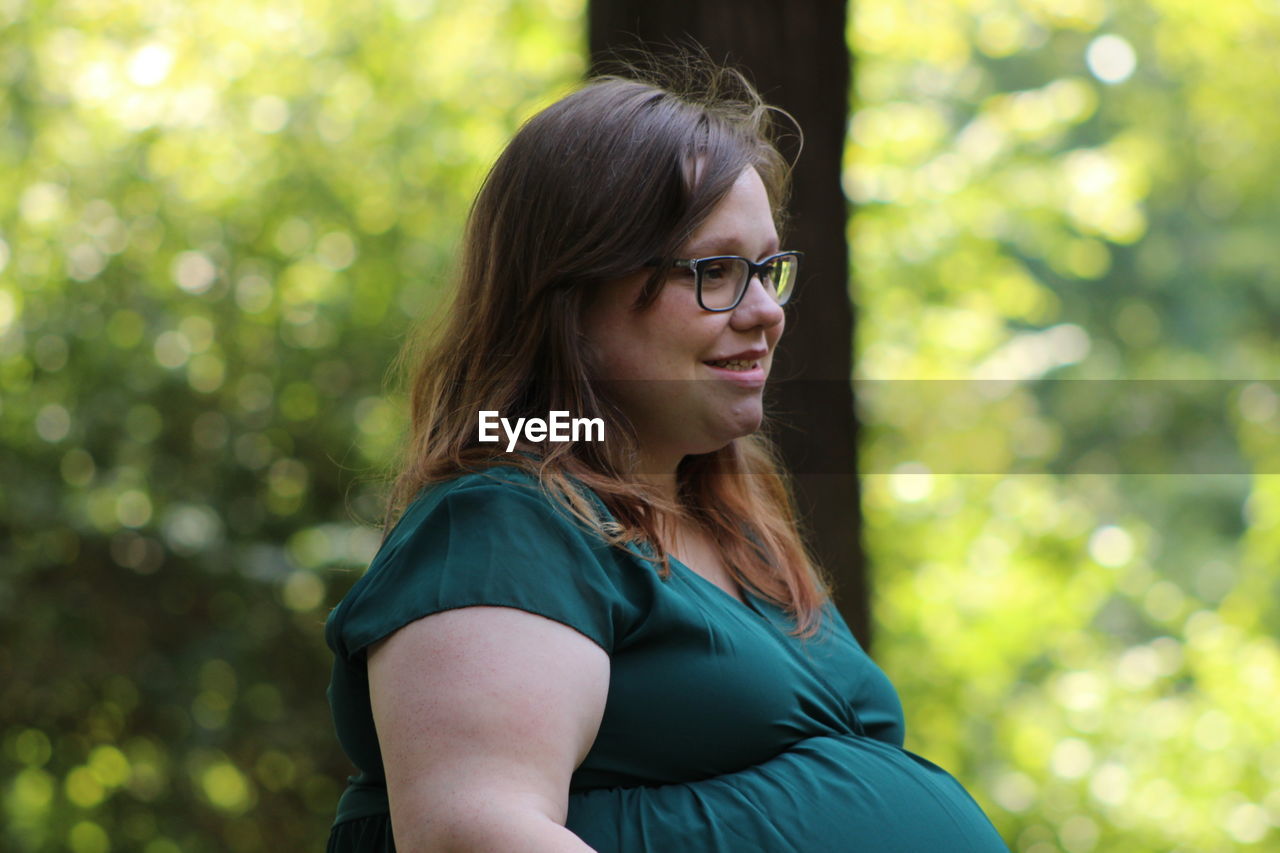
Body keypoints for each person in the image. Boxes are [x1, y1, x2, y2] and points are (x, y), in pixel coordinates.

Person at [324, 59, 1009, 852]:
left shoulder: (732, 530)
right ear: (571, 296)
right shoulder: (503, 525)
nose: (763, 313)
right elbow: (473, 833)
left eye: (768, 271)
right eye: (714, 271)